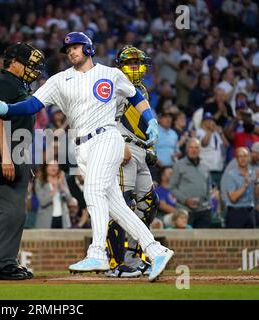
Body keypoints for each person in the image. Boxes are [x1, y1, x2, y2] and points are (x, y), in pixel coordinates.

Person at [0, 32, 174, 282]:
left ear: (88, 48)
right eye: (68, 49)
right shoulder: (59, 80)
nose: (72, 52)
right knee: (115, 206)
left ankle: (97, 252)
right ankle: (156, 250)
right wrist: (7, 109)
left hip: (106, 137)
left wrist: (150, 119)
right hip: (81, 146)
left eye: (76, 47)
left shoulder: (111, 73)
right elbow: (33, 105)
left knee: (93, 191)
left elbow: (135, 95)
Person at [0, 42, 44, 280]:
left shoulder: (17, 84)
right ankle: (2, 266)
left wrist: (24, 162)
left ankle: (7, 261)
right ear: (15, 62)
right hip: (5, 157)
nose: (33, 68)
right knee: (10, 213)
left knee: (16, 213)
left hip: (17, 157)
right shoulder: (5, 83)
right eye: (29, 63)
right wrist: (6, 158)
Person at [106, 45, 159, 278]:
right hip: (123, 146)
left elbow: (141, 122)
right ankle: (115, 264)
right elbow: (106, 119)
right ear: (120, 66)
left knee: (149, 202)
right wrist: (117, 143)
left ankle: (134, 257)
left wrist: (150, 145)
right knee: (122, 204)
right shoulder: (113, 87)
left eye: (139, 63)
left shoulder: (142, 90)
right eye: (130, 63)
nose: (135, 67)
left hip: (139, 148)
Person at [169, 138, 213, 228]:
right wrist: (185, 200)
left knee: (203, 241)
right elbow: (172, 187)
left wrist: (208, 203)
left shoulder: (205, 166)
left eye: (196, 148)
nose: (194, 150)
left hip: (203, 210)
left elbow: (209, 187)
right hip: (185, 211)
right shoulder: (179, 165)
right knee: (185, 241)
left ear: (200, 150)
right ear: (186, 149)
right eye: (191, 147)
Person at [220, 147, 257, 228]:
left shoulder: (253, 174)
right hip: (235, 213)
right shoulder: (231, 175)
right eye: (240, 156)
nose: (243, 159)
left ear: (249, 158)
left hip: (250, 212)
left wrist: (256, 182)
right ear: (236, 159)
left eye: (245, 156)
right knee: (234, 240)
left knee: (252, 240)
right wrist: (245, 185)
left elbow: (256, 195)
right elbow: (233, 198)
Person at [34, 161, 74, 229]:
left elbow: (69, 200)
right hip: (46, 221)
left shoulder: (62, 180)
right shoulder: (39, 181)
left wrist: (61, 185)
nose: (53, 168)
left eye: (55, 166)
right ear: (46, 167)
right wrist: (55, 187)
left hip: (63, 219)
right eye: (51, 166)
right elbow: (43, 202)